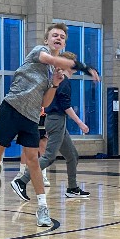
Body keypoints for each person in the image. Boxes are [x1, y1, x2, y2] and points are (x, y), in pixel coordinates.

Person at [0, 23, 96, 228]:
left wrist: (54, 83)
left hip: (31, 117)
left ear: (64, 43)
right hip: (10, 108)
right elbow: (50, 59)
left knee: (33, 161)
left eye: (62, 36)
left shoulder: (53, 72)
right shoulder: (39, 52)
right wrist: (82, 67)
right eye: (55, 35)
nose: (58, 38)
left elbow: (45, 102)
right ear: (47, 40)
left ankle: (42, 208)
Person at [11, 50, 89, 199]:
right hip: (56, 120)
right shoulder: (63, 81)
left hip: (56, 120)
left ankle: (72, 188)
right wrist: (80, 123)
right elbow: (66, 106)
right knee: (49, 156)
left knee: (72, 155)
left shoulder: (59, 80)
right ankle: (21, 181)